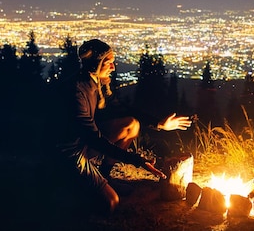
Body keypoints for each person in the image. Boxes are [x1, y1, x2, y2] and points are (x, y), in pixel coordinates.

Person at [55, 38, 192, 215]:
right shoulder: (77, 91)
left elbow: (122, 108)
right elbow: (93, 138)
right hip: (70, 153)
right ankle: (70, 193)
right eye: (108, 62)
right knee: (111, 202)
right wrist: (136, 160)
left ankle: (104, 176)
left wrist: (159, 124)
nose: (113, 67)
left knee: (131, 125)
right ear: (96, 64)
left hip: (84, 144)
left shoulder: (96, 83)